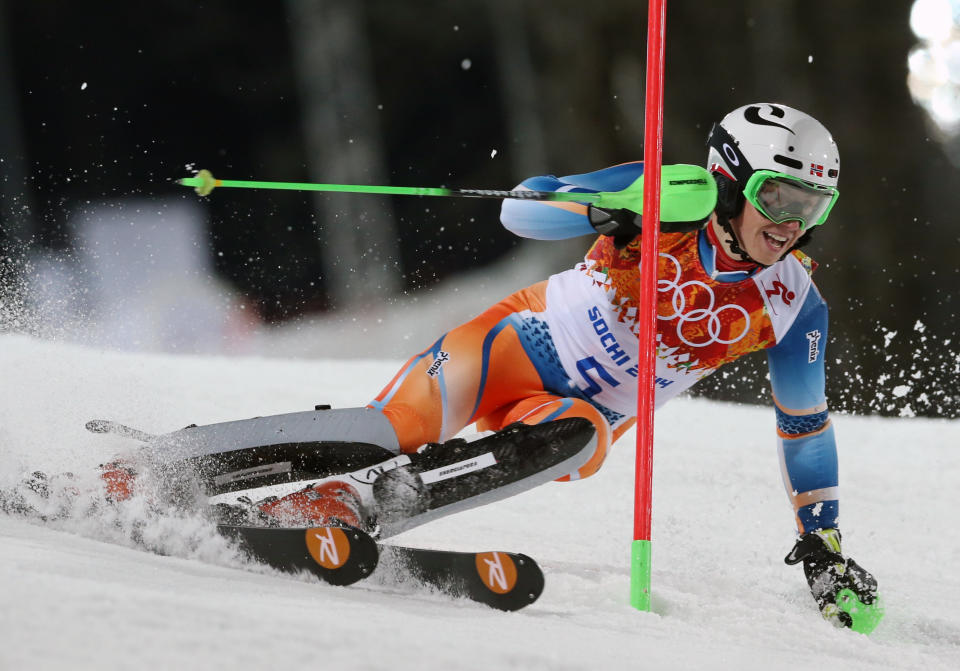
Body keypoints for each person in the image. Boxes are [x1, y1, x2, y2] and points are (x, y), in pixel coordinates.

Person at [110, 102, 882, 629]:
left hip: (561, 412)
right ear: (726, 178)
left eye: (814, 208)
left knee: (583, 436)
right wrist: (614, 205)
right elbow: (522, 210)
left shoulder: (792, 303)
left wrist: (825, 542)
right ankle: (159, 465)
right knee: (388, 428)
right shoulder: (668, 198)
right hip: (513, 345)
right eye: (777, 196)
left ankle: (349, 504)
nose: (791, 224)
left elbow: (804, 425)